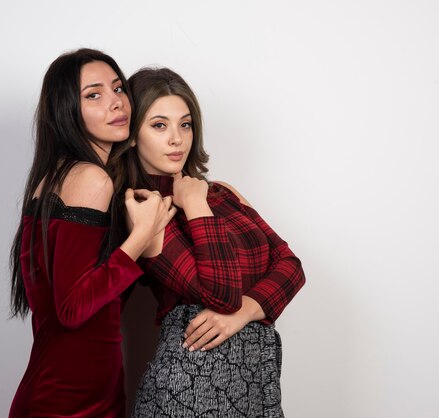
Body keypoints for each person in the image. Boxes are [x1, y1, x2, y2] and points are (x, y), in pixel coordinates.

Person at [114, 67, 306, 417]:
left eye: (184, 124)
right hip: (190, 389)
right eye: (159, 125)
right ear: (131, 135)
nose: (177, 139)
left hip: (258, 384)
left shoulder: (223, 193)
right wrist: (195, 205)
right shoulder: (144, 209)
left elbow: (291, 267)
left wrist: (244, 312)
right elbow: (221, 292)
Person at [8, 49, 176, 418]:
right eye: (94, 95)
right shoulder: (89, 178)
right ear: (66, 109)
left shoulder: (60, 173)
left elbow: (103, 303)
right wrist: (140, 237)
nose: (116, 102)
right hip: (67, 400)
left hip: (86, 389)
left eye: (118, 89)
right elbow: (72, 310)